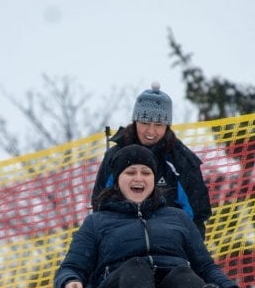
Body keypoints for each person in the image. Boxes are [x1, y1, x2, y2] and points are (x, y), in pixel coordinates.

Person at [56, 144, 248, 288]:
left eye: (146, 173)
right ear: (118, 179)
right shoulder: (98, 221)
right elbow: (73, 266)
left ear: (154, 179)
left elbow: (205, 266)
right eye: (130, 172)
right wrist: (70, 282)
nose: (138, 178)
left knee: (183, 273)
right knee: (136, 266)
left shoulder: (178, 217)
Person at [90, 82, 212, 239]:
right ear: (135, 121)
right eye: (145, 123)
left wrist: (189, 250)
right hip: (122, 241)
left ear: (167, 126)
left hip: (169, 244)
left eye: (159, 124)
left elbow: (196, 213)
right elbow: (99, 204)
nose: (151, 131)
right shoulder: (115, 156)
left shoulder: (181, 159)